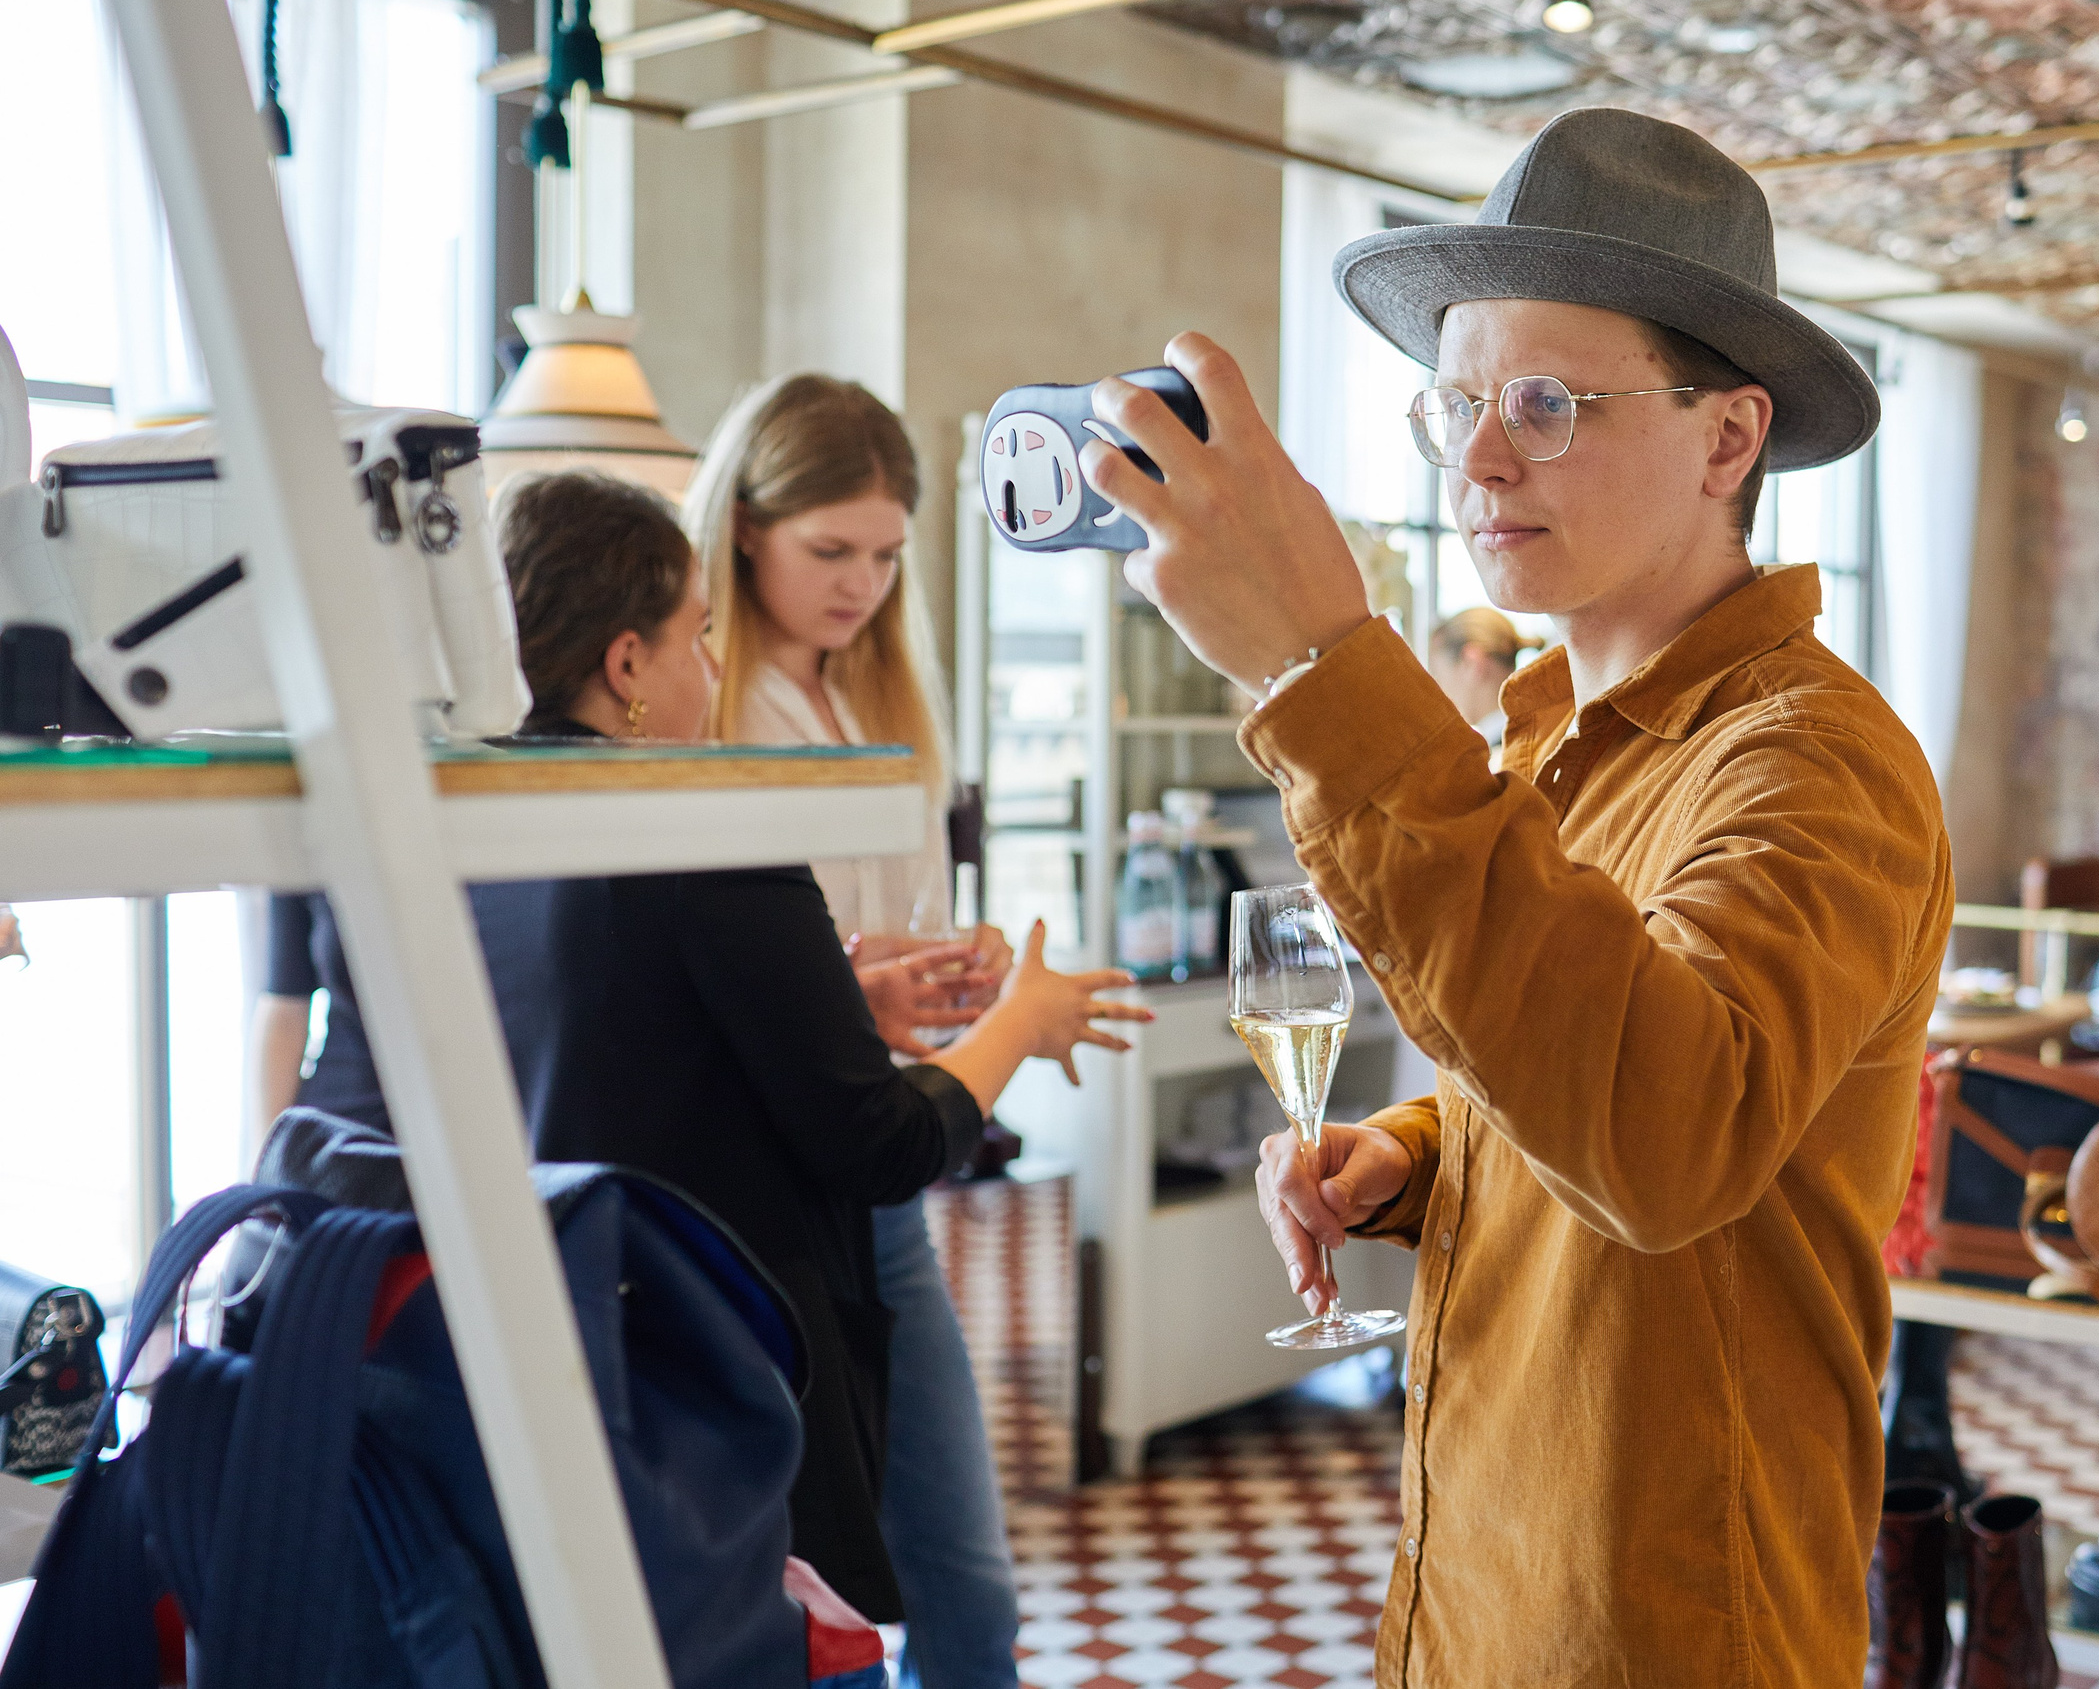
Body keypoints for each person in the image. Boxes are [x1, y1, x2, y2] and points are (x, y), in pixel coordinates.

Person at [1079, 109, 1953, 1684]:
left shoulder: (1817, 763)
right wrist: (1414, 1158)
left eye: (1547, 402)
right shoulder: (1551, 735)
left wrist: (1320, 662)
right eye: (1460, 398)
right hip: (1485, 1573)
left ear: (1728, 437)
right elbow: (1586, 1036)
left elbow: (1672, 1133)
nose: (1480, 454)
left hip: (1669, 1621)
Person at [259, 469, 1148, 1629]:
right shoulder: (709, 828)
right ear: (627, 665)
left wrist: (833, 1001)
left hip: (506, 1366)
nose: (714, 670)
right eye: (698, 637)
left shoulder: (437, 830)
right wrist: (1014, 1028)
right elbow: (876, 1146)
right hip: (707, 1376)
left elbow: (594, 1037)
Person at [685, 376, 1029, 1689]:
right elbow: (723, 968)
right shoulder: (705, 700)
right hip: (756, 1198)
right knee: (798, 1582)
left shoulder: (878, 698)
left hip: (882, 1173)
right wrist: (862, 979)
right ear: (745, 529)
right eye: (831, 551)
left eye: (886, 556)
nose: (862, 585)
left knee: (966, 1572)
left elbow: (869, 937)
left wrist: (952, 968)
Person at [1425, 607, 1539, 752]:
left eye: (1437, 675)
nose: (1437, 691)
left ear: (1472, 663)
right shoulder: (1536, 738)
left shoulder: (1497, 761)